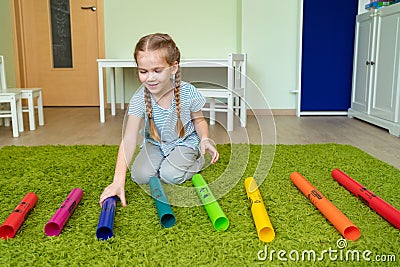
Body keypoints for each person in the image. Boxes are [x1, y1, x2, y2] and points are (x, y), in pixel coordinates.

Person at [99, 33, 219, 207]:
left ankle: (198, 160)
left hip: (184, 142)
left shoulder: (188, 92)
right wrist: (118, 181)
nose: (150, 78)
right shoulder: (140, 98)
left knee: (170, 175)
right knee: (139, 176)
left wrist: (205, 139)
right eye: (143, 71)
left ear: (173, 67)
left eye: (157, 70)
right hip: (155, 143)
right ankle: (166, 162)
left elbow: (199, 120)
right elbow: (129, 139)